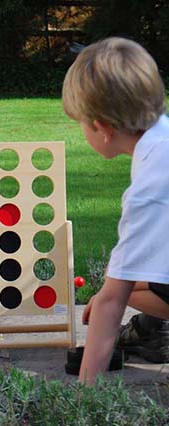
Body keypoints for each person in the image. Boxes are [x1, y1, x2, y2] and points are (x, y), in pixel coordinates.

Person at [62, 37, 169, 384]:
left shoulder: (149, 189)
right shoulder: (162, 138)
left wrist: (84, 396)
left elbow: (112, 302)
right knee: (124, 276)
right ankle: (154, 330)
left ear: (103, 128)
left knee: (117, 284)